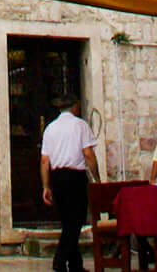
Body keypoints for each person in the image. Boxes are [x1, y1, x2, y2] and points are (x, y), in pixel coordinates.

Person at [40, 95, 101, 272]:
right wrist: (96, 178)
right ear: (75, 107)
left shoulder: (50, 129)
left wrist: (46, 186)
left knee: (68, 221)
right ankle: (60, 259)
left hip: (57, 178)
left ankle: (76, 265)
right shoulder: (80, 125)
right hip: (75, 177)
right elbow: (88, 154)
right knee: (77, 220)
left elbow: (45, 161)